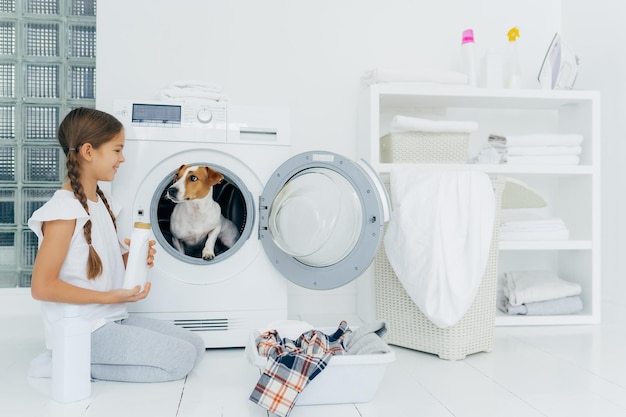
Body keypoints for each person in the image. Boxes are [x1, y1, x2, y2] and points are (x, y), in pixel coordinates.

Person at [27, 107, 205, 382]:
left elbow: (97, 270)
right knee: (179, 359)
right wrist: (109, 298)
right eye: (117, 150)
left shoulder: (104, 203)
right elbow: (42, 287)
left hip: (111, 317)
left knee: (196, 346)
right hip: (83, 329)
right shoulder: (63, 211)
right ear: (88, 151)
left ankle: (74, 360)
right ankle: (66, 362)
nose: (122, 159)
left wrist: (133, 258)